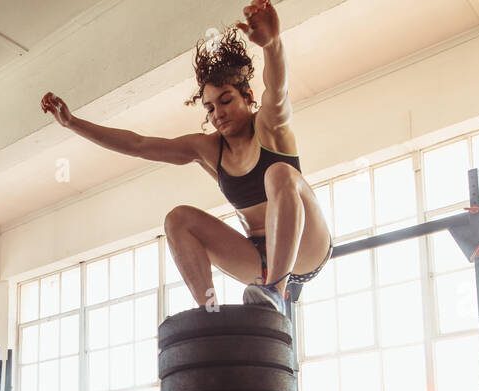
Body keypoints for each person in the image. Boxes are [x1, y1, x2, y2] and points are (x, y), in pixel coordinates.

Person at [41, 0, 332, 311]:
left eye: (226, 100)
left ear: (248, 97)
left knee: (279, 173)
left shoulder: (269, 125)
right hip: (255, 258)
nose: (218, 113)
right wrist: (73, 123)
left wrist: (272, 45)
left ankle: (275, 288)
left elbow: (277, 89)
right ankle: (209, 314)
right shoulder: (207, 149)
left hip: (305, 248)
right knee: (177, 219)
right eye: (210, 108)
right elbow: (138, 145)